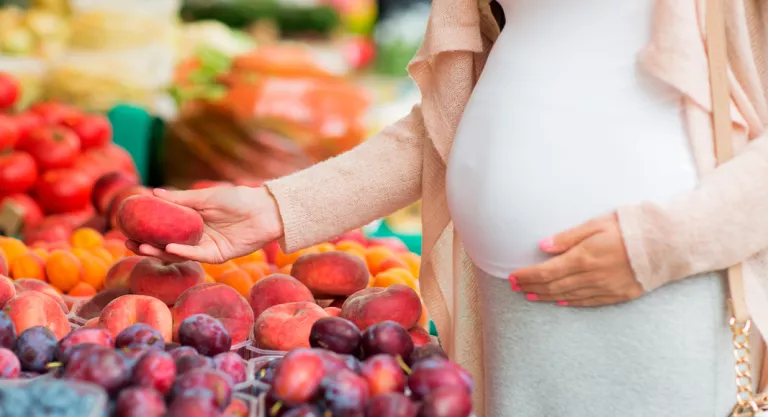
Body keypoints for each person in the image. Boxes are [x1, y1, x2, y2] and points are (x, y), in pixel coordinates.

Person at [129, 0, 768, 415]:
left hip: (657, 288)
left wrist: (664, 243)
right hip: (499, 300)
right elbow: (451, 114)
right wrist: (281, 206)